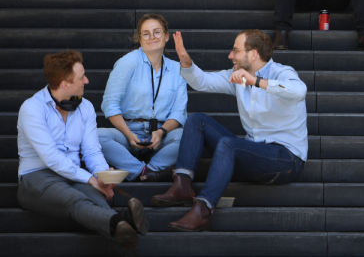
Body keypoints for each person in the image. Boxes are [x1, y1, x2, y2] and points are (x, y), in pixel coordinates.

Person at [151, 29, 307, 232]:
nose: (230, 56)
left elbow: (299, 91)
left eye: (235, 50)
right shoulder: (236, 76)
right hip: (253, 153)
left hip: (287, 159)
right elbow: (202, 82)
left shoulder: (282, 72)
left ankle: (203, 211)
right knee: (198, 120)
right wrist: (185, 61)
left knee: (229, 144)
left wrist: (256, 82)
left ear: (253, 54)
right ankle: (181, 185)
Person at [17, 51, 148, 256]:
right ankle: (120, 221)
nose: (87, 80)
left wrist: (102, 175)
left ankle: (126, 231)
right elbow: (51, 157)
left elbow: (91, 150)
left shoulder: (85, 107)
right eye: (81, 77)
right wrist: (90, 179)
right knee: (75, 200)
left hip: (73, 175)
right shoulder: (32, 108)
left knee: (95, 197)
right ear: (64, 84)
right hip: (37, 177)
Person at [98, 14, 187, 182]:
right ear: (140, 39)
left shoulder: (177, 69)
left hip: (161, 135)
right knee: (96, 136)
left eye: (157, 32)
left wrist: (161, 132)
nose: (152, 37)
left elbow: (179, 112)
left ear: (166, 36)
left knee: (187, 136)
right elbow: (109, 104)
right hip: (128, 132)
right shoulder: (127, 63)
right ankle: (142, 172)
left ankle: (152, 169)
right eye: (146, 34)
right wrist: (128, 134)